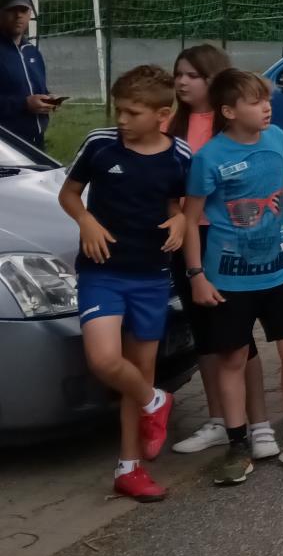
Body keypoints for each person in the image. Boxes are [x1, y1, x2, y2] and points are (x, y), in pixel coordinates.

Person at [183, 68, 283, 485]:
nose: (266, 108)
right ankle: (236, 444)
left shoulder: (277, 139)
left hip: (279, 272)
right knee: (232, 358)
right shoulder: (209, 157)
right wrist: (196, 275)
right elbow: (190, 220)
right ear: (228, 111)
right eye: (255, 101)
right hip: (228, 280)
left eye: (266, 99)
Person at [60, 66, 193, 500]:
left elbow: (178, 204)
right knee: (104, 360)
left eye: (132, 112)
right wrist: (86, 221)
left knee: (139, 372)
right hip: (102, 272)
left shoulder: (180, 155)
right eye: (119, 110)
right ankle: (156, 400)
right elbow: (68, 194)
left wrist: (179, 219)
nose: (121, 119)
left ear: (162, 115)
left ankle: (129, 468)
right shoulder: (100, 144)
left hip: (151, 277)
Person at [0, 0, 57, 146]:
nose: (18, 15)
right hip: (6, 144)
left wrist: (48, 99)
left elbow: (38, 89)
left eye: (23, 10)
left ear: (30, 13)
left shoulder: (32, 52)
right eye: (12, 10)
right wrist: (24, 104)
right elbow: (26, 101)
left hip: (36, 140)